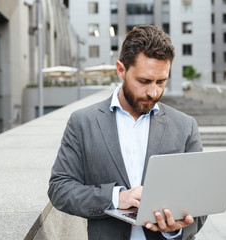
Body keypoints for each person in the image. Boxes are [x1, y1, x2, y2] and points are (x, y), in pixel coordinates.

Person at [48, 25, 207, 240]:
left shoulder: (185, 126)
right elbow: (60, 189)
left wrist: (176, 229)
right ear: (121, 70)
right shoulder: (82, 122)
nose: (153, 92)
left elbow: (201, 200)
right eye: (144, 81)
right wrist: (115, 197)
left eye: (161, 82)